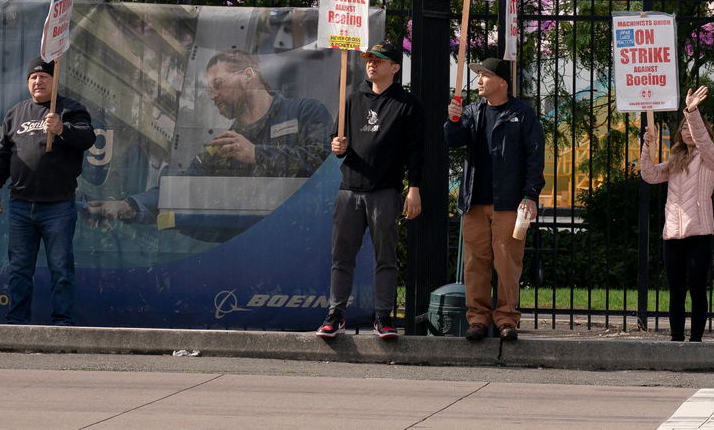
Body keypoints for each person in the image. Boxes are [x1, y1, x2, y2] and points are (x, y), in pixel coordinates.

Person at [87, 48, 331, 227]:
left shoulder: (304, 112)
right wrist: (127, 206)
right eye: (209, 90)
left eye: (218, 84)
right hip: (250, 246)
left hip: (307, 231)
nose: (213, 95)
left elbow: (324, 165)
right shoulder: (222, 146)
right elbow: (184, 188)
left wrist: (256, 154)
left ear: (248, 75)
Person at [317, 41, 424, 340]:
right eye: (368, 59)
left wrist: (414, 188)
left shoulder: (407, 105)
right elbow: (337, 142)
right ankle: (335, 314)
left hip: (385, 191)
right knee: (342, 256)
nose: (372, 64)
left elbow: (417, 151)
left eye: (379, 60)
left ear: (395, 67)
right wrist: (336, 146)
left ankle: (383, 317)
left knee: (386, 257)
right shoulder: (350, 99)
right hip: (349, 189)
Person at [0, 57, 96, 325]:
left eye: (44, 77)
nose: (38, 81)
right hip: (21, 204)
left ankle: (62, 321)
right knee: (20, 268)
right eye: (33, 78)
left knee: (60, 268)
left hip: (57, 206)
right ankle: (17, 321)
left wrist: (62, 128)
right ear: (27, 83)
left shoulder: (70, 109)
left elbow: (88, 138)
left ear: (54, 81)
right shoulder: (16, 113)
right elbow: (3, 155)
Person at [444, 56, 544, 341]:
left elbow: (534, 157)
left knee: (507, 263)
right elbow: (454, 141)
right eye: (478, 76)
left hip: (509, 202)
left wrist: (530, 195)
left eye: (484, 75)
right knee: (475, 263)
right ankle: (477, 319)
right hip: (474, 201)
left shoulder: (522, 114)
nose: (479, 80)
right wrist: (452, 120)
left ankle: (506, 318)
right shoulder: (472, 111)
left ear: (502, 82)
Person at [641, 84, 714, 342]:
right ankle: (676, 339)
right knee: (676, 291)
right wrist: (647, 146)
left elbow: (703, 141)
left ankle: (696, 340)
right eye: (684, 128)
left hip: (699, 232)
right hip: (673, 234)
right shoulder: (675, 159)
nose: (688, 132)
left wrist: (691, 111)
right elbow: (650, 175)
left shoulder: (711, 158)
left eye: (691, 129)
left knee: (697, 290)